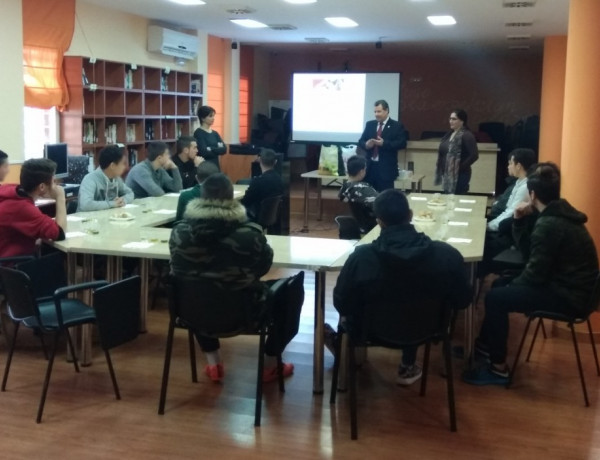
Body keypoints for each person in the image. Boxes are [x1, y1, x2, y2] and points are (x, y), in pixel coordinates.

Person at [464, 165, 599, 385]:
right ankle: (484, 347)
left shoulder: (549, 224)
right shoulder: (557, 215)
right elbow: (532, 254)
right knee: (498, 286)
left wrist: (512, 286)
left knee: (496, 297)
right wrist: (519, 220)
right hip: (567, 286)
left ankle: (498, 369)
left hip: (568, 296)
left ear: (533, 195)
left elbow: (534, 275)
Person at [333, 189, 471, 385]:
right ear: (411, 215)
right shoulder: (446, 255)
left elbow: (342, 303)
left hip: (370, 331)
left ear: (379, 221)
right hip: (429, 329)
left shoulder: (361, 258)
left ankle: (347, 365)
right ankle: (407, 364)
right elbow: (463, 299)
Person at [169, 173, 294, 383]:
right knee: (291, 291)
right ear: (231, 199)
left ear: (200, 197)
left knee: (198, 287)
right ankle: (271, 364)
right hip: (246, 314)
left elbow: (178, 268)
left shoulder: (179, 233)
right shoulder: (249, 234)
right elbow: (263, 267)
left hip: (191, 312)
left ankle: (213, 362)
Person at [0, 158, 66, 257]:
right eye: (53, 181)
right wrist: (60, 197)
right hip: (13, 266)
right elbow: (59, 234)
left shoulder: (10, 190)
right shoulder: (23, 207)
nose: (55, 185)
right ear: (42, 187)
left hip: (7, 254)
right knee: (57, 256)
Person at [358, 99, 407, 192]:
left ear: (386, 111)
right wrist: (366, 145)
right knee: (368, 197)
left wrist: (384, 143)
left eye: (379, 111)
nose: (376, 114)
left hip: (386, 170)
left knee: (385, 199)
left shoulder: (396, 126)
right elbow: (361, 141)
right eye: (375, 112)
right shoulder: (370, 124)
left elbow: (402, 143)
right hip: (370, 169)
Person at [487, 148, 536, 231]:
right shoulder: (519, 182)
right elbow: (508, 209)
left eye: (510, 163)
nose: (508, 166)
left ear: (518, 166)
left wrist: (489, 226)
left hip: (509, 230)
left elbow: (510, 213)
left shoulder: (525, 187)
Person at [77, 145, 134, 211]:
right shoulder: (90, 179)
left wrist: (122, 201)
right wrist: (112, 204)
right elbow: (85, 205)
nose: (124, 167)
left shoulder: (116, 178)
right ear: (112, 166)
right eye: (122, 164)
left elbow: (130, 193)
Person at [434, 109, 479, 194]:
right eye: (450, 119)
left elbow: (474, 155)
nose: (451, 121)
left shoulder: (467, 135)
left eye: (454, 119)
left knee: (457, 198)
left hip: (460, 175)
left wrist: (460, 167)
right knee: (448, 198)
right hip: (447, 174)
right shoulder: (449, 134)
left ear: (462, 121)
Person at [240, 149, 284, 222]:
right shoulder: (279, 179)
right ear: (275, 162)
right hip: (271, 217)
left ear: (259, 160)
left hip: (256, 216)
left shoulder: (257, 181)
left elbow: (245, 202)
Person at [338, 155, 379, 232]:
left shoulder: (345, 188)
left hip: (360, 223)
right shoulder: (362, 189)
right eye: (365, 169)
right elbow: (380, 204)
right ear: (361, 171)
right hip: (372, 226)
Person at [193, 105, 227, 170]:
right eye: (210, 116)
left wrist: (211, 148)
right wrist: (217, 149)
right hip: (205, 167)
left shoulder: (215, 133)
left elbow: (224, 149)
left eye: (213, 116)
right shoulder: (198, 133)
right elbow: (204, 152)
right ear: (203, 118)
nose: (213, 118)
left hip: (216, 166)